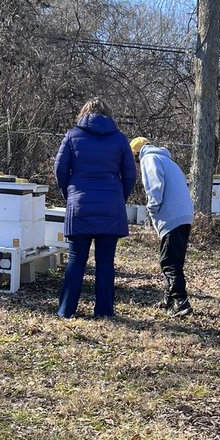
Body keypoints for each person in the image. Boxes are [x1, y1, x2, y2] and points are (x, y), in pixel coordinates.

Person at [54, 98, 136, 319]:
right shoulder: (119, 139)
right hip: (111, 206)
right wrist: (118, 197)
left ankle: (66, 310)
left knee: (76, 260)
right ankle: (104, 313)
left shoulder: (72, 136)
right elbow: (130, 175)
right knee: (105, 262)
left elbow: (60, 170)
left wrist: (70, 195)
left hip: (80, 205)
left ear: (84, 113)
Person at [130, 136, 194, 315]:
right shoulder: (167, 160)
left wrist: (152, 210)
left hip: (171, 216)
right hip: (184, 215)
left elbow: (155, 189)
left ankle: (181, 301)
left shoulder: (149, 159)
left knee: (168, 261)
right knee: (175, 260)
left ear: (136, 155)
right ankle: (169, 298)